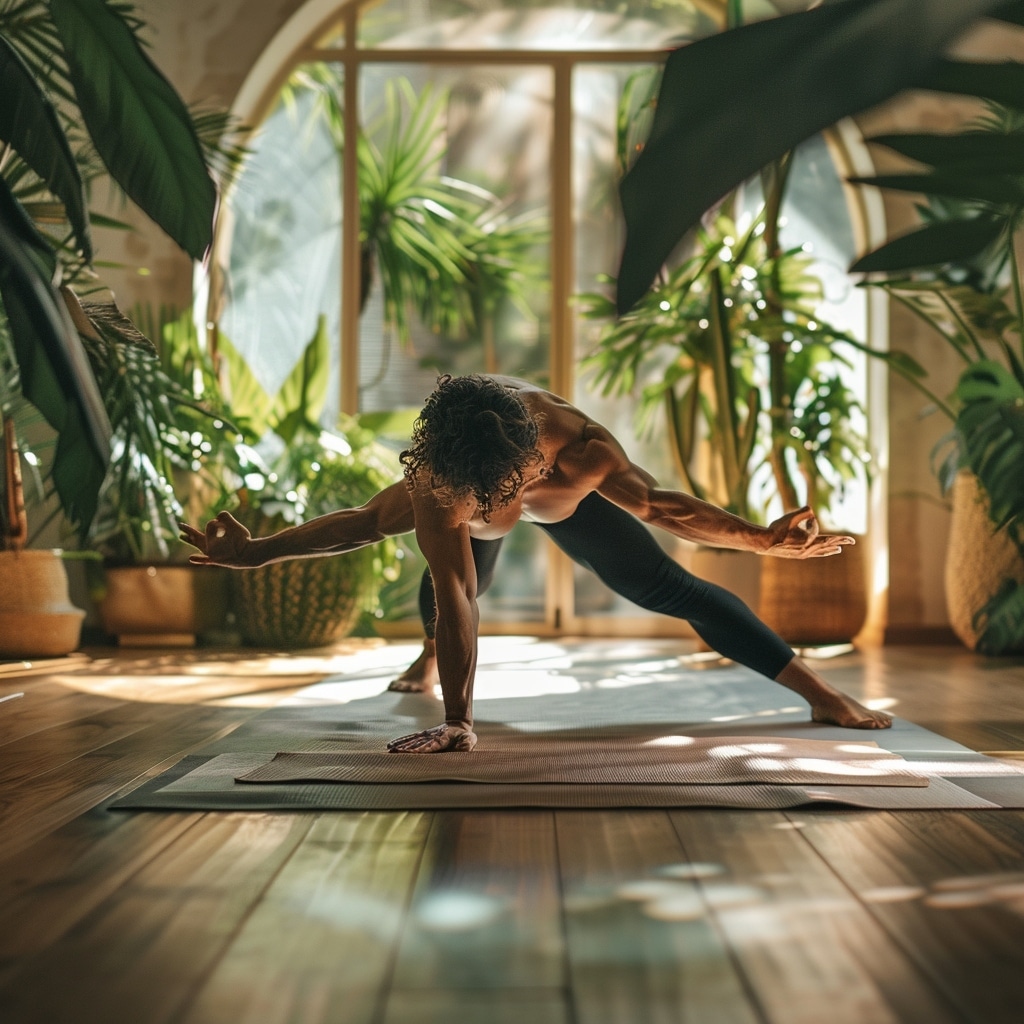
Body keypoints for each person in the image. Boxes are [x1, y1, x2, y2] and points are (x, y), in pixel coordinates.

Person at [180, 373, 892, 752]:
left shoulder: (581, 448)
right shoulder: (441, 483)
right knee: (460, 582)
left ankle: (823, 695)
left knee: (666, 586)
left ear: (533, 457)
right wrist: (459, 719)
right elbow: (391, 543)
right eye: (493, 498)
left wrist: (762, 539)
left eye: (515, 484)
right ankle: (431, 664)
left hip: (572, 503)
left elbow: (663, 507)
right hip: (466, 498)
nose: (509, 501)